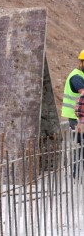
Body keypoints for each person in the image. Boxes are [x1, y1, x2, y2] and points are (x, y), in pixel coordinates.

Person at [62, 49, 84, 178]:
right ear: (81, 62)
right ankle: (77, 174)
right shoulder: (76, 77)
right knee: (80, 146)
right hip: (76, 118)